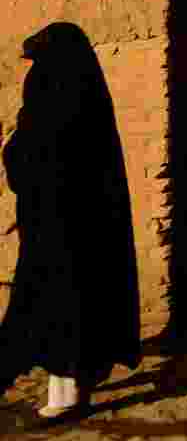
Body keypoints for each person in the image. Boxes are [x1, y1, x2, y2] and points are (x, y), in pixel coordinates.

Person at [0, 22, 141, 418]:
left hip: (53, 228)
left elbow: (31, 154)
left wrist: (14, 152)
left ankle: (67, 399)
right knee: (73, 306)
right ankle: (69, 388)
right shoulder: (87, 92)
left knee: (55, 307)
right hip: (87, 225)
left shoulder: (50, 92)